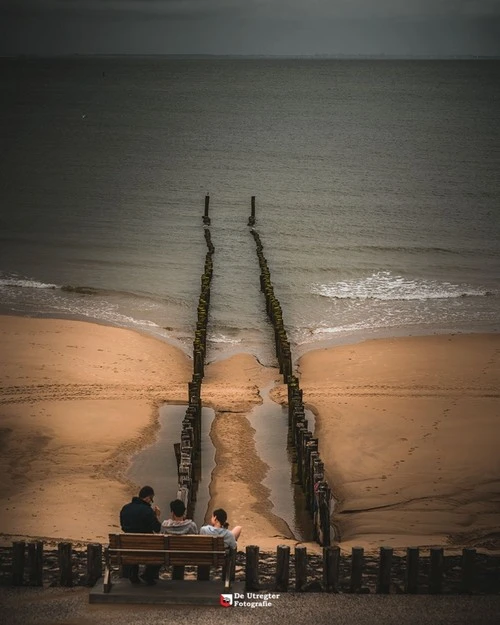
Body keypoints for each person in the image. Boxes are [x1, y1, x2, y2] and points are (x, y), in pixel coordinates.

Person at [119, 485, 161, 585]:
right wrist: (157, 516)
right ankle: (148, 574)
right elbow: (157, 529)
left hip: (127, 547)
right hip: (146, 548)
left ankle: (133, 574)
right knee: (161, 552)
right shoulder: (148, 511)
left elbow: (123, 527)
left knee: (134, 547)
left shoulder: (125, 508)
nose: (151, 502)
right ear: (147, 498)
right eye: (152, 499)